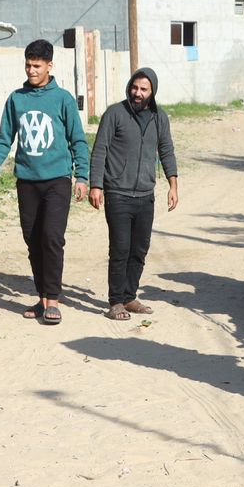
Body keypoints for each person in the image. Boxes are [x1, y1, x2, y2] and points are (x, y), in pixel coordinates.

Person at [0, 40, 90, 325]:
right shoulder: (16, 99)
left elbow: (78, 140)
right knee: (32, 240)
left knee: (52, 238)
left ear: (49, 66)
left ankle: (54, 300)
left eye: (37, 65)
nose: (31, 70)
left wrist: (82, 175)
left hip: (57, 179)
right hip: (27, 181)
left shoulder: (63, 99)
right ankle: (43, 297)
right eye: (28, 65)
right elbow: (5, 136)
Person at [88, 68, 179, 320]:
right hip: (117, 192)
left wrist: (173, 185)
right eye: (134, 87)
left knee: (140, 248)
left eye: (143, 89)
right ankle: (115, 301)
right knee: (120, 248)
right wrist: (96, 185)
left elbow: (167, 151)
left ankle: (129, 297)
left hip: (145, 195)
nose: (137, 93)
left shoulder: (160, 118)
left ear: (152, 92)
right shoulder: (114, 114)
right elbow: (100, 151)